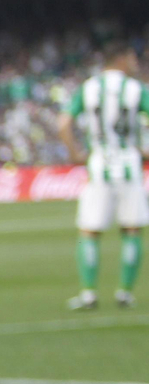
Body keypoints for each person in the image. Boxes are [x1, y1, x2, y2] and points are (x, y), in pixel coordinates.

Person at [58, 46, 148, 311]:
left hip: (98, 165)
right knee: (132, 229)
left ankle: (88, 293)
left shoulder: (88, 87)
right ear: (120, 59)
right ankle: (125, 293)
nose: (135, 62)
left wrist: (75, 152)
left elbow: (64, 123)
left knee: (89, 231)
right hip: (130, 164)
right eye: (132, 58)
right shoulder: (136, 89)